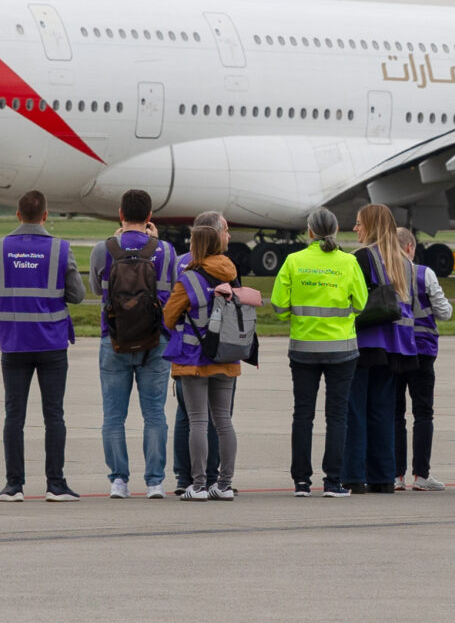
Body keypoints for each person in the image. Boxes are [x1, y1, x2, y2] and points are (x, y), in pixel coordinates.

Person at [0, 189, 84, 503]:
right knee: (54, 415)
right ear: (45, 216)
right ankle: (56, 483)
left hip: (13, 343)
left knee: (14, 415)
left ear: (18, 215)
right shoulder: (60, 250)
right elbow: (78, 295)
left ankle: (14, 485)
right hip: (51, 343)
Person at [272, 206, 367, 497]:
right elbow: (361, 303)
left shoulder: (293, 261)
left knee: (303, 414)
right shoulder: (348, 262)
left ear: (309, 232)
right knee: (336, 416)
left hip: (303, 347)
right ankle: (332, 481)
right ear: (336, 231)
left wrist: (298, 317)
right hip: (341, 349)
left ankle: (301, 482)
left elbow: (278, 306)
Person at [163, 221, 261, 499]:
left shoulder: (188, 280)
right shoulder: (231, 273)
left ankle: (197, 485)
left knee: (197, 421)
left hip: (194, 359)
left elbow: (169, 317)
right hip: (228, 357)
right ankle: (225, 484)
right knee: (223, 421)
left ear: (196, 247)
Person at [93, 189, 179, 499]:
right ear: (150, 216)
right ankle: (155, 481)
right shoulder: (166, 250)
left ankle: (119, 480)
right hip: (156, 339)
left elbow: (96, 288)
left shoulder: (103, 249)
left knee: (113, 416)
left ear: (120, 213)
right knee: (154, 413)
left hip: (113, 338)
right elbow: (172, 286)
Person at [346, 203, 419, 493]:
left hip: (366, 342)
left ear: (371, 226)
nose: (355, 229)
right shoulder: (406, 262)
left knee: (355, 410)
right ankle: (383, 477)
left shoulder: (361, 258)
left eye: (359, 223)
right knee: (383, 411)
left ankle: (353, 475)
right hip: (397, 345)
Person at [401, 228, 453, 490]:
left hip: (395, 349)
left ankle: (394, 475)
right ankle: (421, 475)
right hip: (423, 349)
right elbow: (444, 312)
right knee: (423, 412)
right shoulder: (424, 273)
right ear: (410, 247)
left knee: (393, 412)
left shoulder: (384, 272)